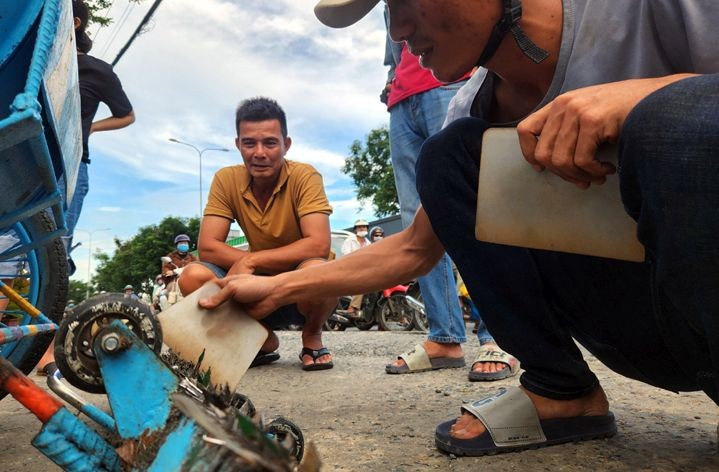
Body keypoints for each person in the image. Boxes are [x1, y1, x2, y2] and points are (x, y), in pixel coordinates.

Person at [200, 0, 719, 457]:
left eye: (405, 0)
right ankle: (561, 391)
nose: (399, 30)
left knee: (678, 117)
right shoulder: (468, 106)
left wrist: (648, 95)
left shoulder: (651, 9)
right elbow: (413, 249)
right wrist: (274, 287)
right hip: (645, 326)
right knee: (449, 156)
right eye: (387, 11)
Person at [382, 10, 518, 379]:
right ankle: (443, 337)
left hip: (451, 84)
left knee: (477, 202)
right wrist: (392, 84)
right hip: (401, 100)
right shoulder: (389, 14)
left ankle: (502, 335)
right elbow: (395, 52)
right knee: (415, 215)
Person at [179, 97, 337, 371]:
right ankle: (261, 339)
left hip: (299, 284)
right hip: (251, 285)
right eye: (250, 143)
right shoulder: (226, 179)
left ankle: (312, 335)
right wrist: (249, 266)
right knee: (192, 276)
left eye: (270, 143)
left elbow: (318, 245)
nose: (259, 153)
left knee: (318, 269)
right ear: (238, 144)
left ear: (286, 145)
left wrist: (252, 261)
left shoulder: (305, 176)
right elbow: (208, 247)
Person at [64, 0, 135, 270]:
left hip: (70, 168)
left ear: (74, 23)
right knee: (8, 250)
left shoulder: (98, 70)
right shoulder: (32, 58)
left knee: (53, 250)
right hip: (20, 159)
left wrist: (92, 127)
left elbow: (127, 115)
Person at [339, 219, 371, 317]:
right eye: (359, 227)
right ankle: (352, 307)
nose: (362, 228)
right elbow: (347, 255)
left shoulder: (368, 243)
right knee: (362, 284)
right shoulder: (350, 241)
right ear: (355, 229)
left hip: (365, 270)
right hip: (351, 270)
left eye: (364, 226)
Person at [162, 234, 198, 305]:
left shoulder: (192, 257)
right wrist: (169, 272)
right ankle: (173, 308)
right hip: (175, 280)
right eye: (181, 243)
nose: (184, 245)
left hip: (190, 278)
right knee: (171, 293)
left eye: (185, 243)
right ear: (177, 245)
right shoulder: (170, 256)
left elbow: (197, 265)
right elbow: (165, 268)